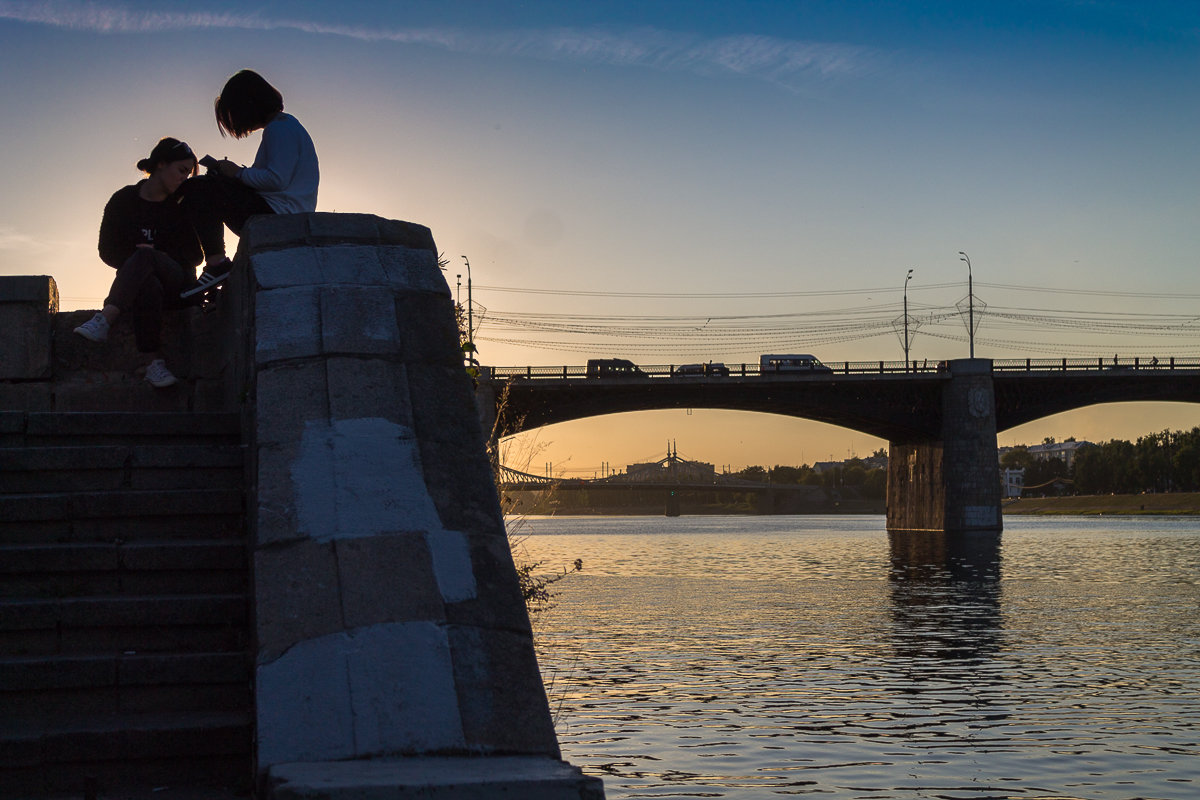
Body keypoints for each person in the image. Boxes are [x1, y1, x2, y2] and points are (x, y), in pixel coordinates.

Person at [74, 138, 203, 388]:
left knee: (147, 257)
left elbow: (195, 256)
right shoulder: (124, 201)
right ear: (161, 164)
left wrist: (157, 256)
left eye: (187, 173)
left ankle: (106, 318)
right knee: (147, 283)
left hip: (178, 285)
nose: (184, 179)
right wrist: (139, 259)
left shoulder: (179, 206)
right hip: (141, 287)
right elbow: (107, 251)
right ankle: (154, 364)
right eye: (181, 171)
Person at [180, 69, 319, 298]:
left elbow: (276, 179)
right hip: (280, 211)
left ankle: (216, 264)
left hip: (275, 215)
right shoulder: (287, 126)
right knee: (213, 181)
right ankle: (221, 274)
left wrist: (237, 173)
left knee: (198, 188)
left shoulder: (280, 128)